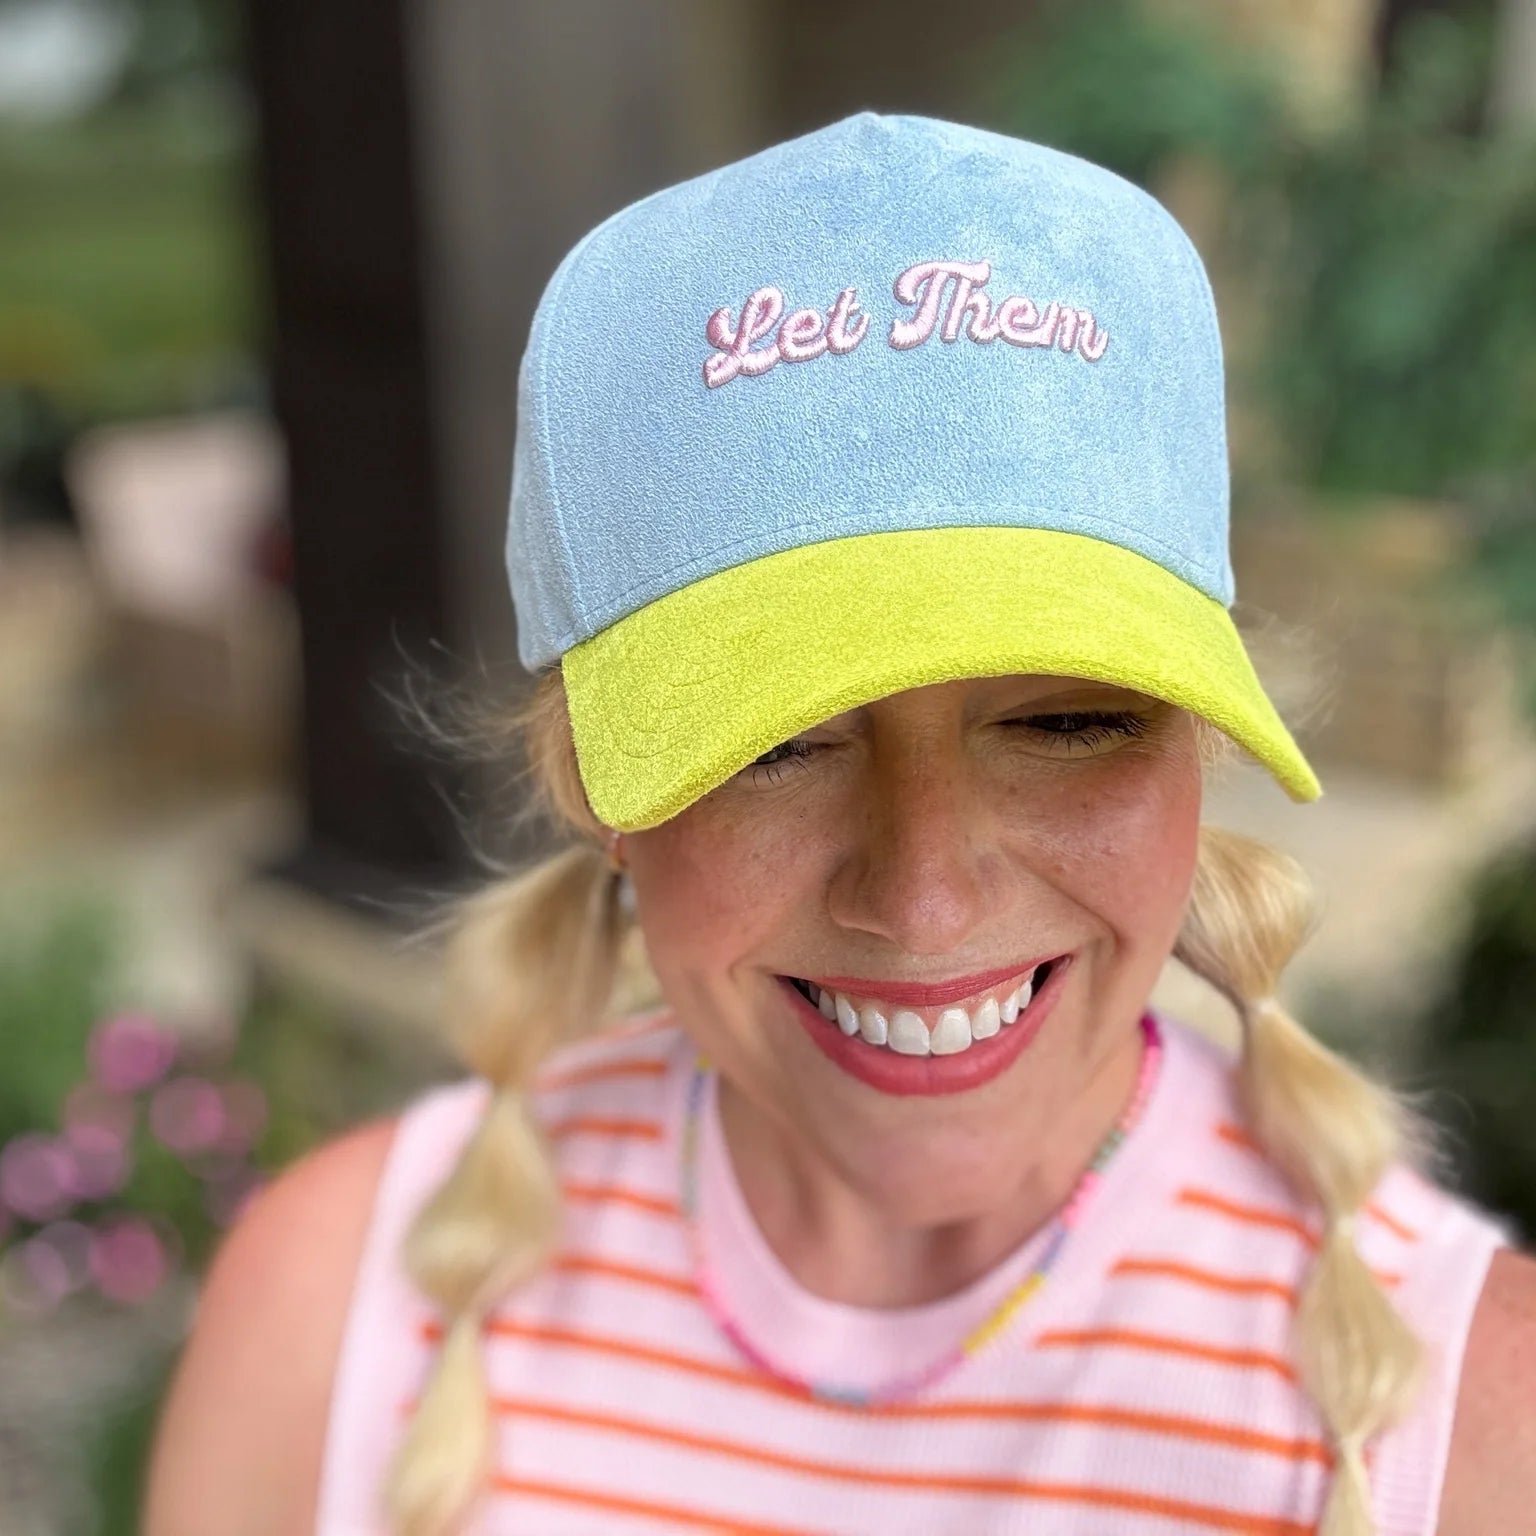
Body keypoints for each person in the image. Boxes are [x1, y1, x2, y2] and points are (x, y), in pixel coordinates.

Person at [145, 112, 1536, 1535]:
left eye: (1066, 724)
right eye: (777, 745)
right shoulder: (340, 1311)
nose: (926, 900)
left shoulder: (1471, 1428)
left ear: (1195, 757)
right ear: (599, 799)